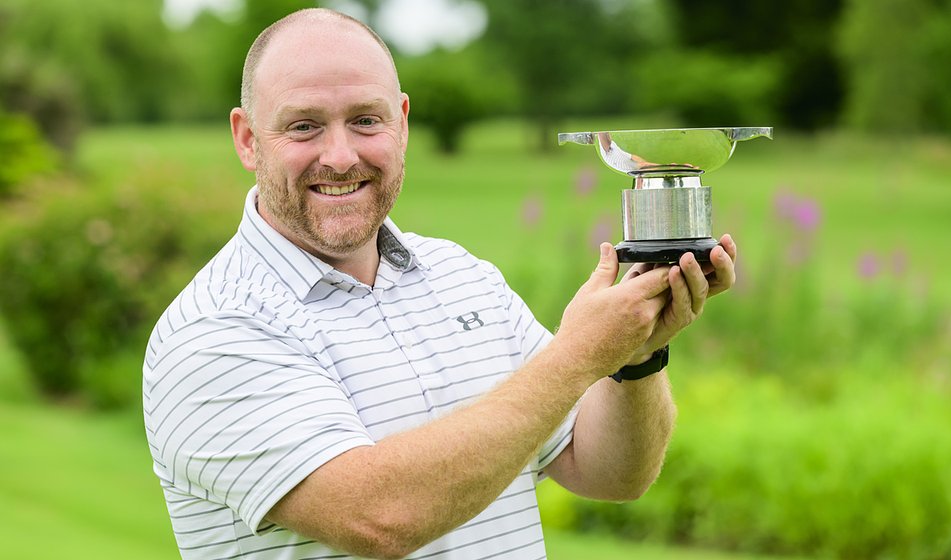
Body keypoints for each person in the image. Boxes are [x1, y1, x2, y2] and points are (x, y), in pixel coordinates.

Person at [142, 8, 738, 560]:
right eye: (304, 126)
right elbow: (380, 518)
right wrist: (582, 352)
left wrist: (634, 357)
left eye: (365, 120)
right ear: (248, 139)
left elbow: (609, 473)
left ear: (401, 122)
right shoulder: (213, 331)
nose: (341, 156)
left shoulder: (462, 275)